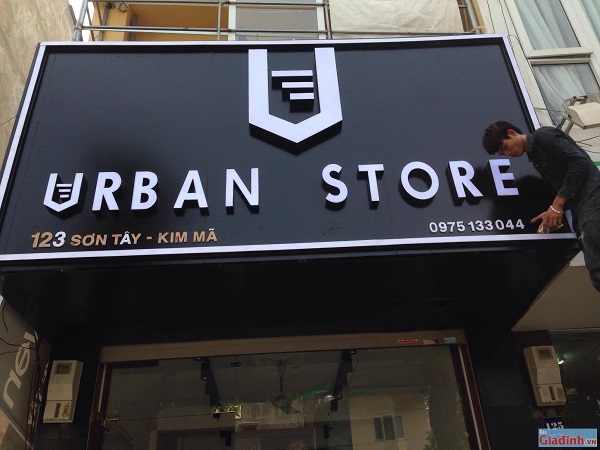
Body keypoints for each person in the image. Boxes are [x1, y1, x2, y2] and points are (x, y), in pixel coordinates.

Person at [482, 120, 600, 293]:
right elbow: (567, 182)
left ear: (512, 133)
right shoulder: (536, 157)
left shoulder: (542, 136)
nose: (507, 154)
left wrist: (556, 205)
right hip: (581, 208)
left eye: (505, 147)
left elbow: (579, 162)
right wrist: (552, 212)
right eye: (502, 153)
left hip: (592, 199)